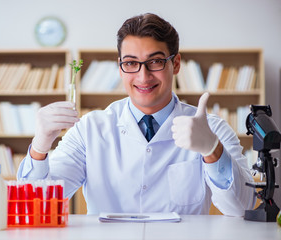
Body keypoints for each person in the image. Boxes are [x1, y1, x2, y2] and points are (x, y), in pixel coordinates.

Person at [17, 13, 255, 216]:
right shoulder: (89, 129)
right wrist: (40, 147)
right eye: (131, 63)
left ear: (177, 64)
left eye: (156, 61)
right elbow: (37, 207)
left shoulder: (212, 129)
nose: (143, 76)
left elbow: (242, 207)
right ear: (119, 66)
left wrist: (212, 150)